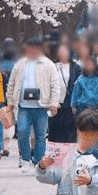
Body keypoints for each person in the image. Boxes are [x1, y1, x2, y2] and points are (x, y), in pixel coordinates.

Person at [7, 37, 62, 174]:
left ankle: (38, 161)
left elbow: (55, 85)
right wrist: (10, 102)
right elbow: (12, 84)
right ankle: (25, 159)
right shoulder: (20, 64)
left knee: (41, 135)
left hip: (41, 105)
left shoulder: (48, 64)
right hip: (24, 106)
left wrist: (53, 103)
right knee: (23, 132)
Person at [71, 56, 98, 148]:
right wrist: (73, 104)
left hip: (97, 106)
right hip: (83, 106)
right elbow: (76, 92)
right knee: (83, 127)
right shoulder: (81, 78)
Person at [50, 45, 82, 146]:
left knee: (70, 130)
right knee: (55, 130)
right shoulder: (53, 66)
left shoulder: (76, 68)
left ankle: (70, 152)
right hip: (56, 104)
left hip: (70, 104)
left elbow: (79, 85)